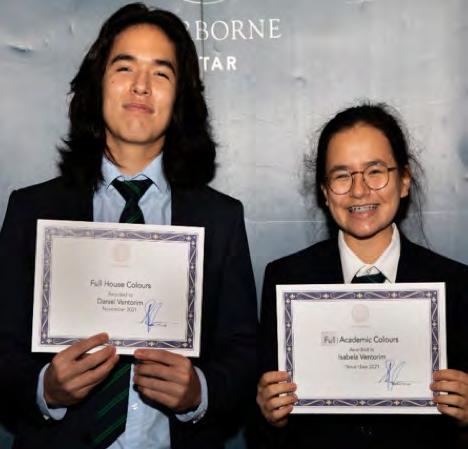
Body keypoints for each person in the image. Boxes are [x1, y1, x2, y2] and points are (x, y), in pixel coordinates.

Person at [0, 3, 257, 449]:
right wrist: (45, 388)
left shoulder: (220, 219)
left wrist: (200, 392)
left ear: (180, 98)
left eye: (161, 73)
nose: (141, 85)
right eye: (124, 67)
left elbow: (242, 350)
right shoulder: (33, 211)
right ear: (97, 83)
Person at [251, 103, 468, 449]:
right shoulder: (286, 280)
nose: (359, 190)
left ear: (404, 181)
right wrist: (268, 416)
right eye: (341, 176)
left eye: (375, 171)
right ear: (324, 192)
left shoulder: (455, 285)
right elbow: (264, 435)